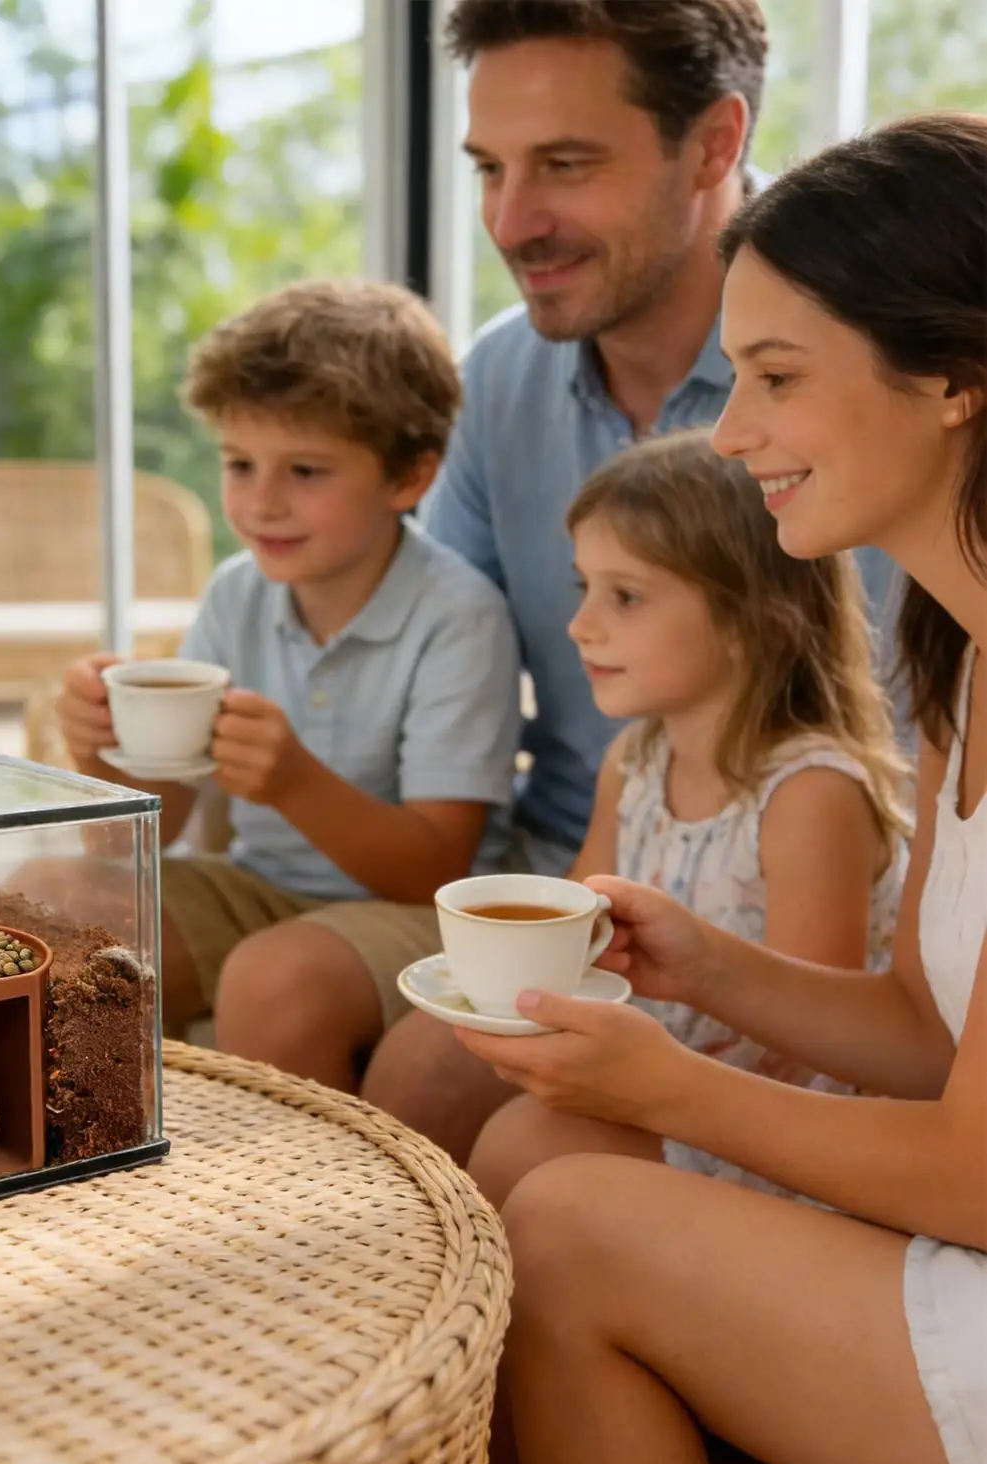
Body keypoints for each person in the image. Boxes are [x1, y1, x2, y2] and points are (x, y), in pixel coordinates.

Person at [457, 114, 987, 1464]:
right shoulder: (955, 660)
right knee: (545, 1174)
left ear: (955, 377)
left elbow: (977, 1169)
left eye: (776, 377)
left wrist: (671, 1082)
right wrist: (708, 968)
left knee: (566, 1225)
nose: (733, 430)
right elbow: (920, 1032)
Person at [360, 0, 795, 1156]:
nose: (511, 221)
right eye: (488, 168)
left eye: (564, 165)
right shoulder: (499, 383)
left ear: (712, 143)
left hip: (785, 898)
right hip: (569, 877)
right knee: (413, 1073)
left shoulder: (845, 376)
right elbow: (418, 643)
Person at [53, 279, 521, 1088]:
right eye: (239, 463)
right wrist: (98, 752)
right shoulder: (239, 591)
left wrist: (294, 781)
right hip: (257, 887)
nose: (261, 502)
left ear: (409, 477)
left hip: (417, 914)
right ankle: (95, 1172)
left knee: (277, 978)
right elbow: (150, 835)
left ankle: (285, 1209)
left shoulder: (459, 615)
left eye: (304, 469)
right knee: (49, 902)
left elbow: (433, 870)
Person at [466, 428, 911, 1210]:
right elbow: (574, 935)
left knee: (521, 1143)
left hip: (765, 1129)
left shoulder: (808, 795)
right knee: (437, 1068)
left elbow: (805, 1048)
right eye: (583, 588)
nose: (580, 625)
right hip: (653, 1077)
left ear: (753, 622)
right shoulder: (633, 765)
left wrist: (631, 1083)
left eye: (625, 596)